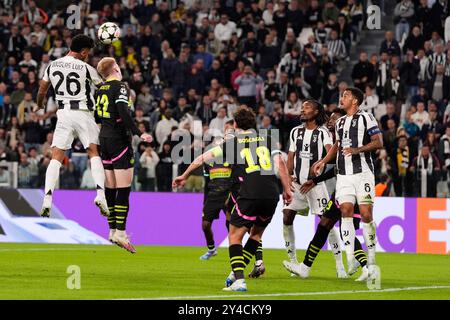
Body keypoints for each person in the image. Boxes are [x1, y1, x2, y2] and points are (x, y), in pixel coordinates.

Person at [173, 107, 292, 292]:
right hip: (271, 194)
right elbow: (280, 165)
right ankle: (235, 273)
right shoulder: (269, 139)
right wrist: (286, 189)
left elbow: (203, 158)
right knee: (256, 235)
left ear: (235, 124)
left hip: (249, 192)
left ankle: (239, 280)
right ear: (253, 123)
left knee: (234, 236)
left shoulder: (232, 143)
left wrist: (185, 175)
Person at [286, 109, 369, 281]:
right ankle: (306, 267)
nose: (331, 120)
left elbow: (339, 166)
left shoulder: (347, 141)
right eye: (330, 118)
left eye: (335, 118)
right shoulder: (338, 139)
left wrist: (316, 178)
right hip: (342, 190)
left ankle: (364, 266)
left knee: (339, 229)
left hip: (349, 189)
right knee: (326, 225)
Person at [313, 87, 383, 281]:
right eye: (342, 95)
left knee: (367, 215)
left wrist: (356, 149)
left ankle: (371, 260)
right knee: (345, 210)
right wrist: (322, 161)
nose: (341, 98)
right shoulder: (341, 122)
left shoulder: (367, 118)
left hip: (363, 174)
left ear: (355, 101)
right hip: (344, 176)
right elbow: (336, 146)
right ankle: (351, 257)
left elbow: (378, 142)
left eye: (346, 96)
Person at [35, 35, 109, 218]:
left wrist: (39, 104)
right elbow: (104, 87)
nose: (87, 55)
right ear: (83, 52)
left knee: (56, 157)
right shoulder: (86, 68)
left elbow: (42, 90)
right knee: (93, 152)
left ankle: (47, 198)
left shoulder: (53, 65)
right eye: (87, 53)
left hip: (64, 114)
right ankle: (100, 195)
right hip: (83, 113)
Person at [282, 100, 346, 279]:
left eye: (307, 107)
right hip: (297, 184)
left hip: (315, 185)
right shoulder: (296, 132)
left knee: (326, 222)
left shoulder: (323, 132)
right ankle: (294, 262)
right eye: (301, 107)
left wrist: (320, 166)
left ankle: (339, 264)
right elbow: (290, 157)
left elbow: (330, 154)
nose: (302, 110)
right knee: (286, 217)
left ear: (316, 111)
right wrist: (287, 182)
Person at [96, 57, 152, 253]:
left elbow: (97, 117)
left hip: (104, 138)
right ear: (116, 68)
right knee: (124, 189)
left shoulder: (100, 89)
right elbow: (123, 112)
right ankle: (121, 232)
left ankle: (112, 230)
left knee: (111, 188)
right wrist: (138, 133)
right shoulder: (120, 86)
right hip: (119, 140)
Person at [199, 135, 233, 260]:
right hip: (213, 195)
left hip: (228, 195)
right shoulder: (209, 161)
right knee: (205, 225)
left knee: (230, 225)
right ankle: (212, 249)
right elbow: (206, 181)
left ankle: (235, 250)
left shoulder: (234, 159)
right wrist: (205, 200)